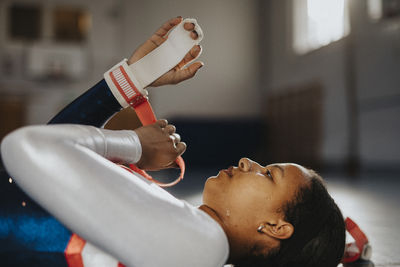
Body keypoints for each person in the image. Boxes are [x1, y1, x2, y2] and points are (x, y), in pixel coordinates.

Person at [1, 17, 345, 267]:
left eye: (268, 174)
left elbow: (25, 146)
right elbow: (28, 179)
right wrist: (135, 77)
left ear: (275, 227)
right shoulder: (183, 228)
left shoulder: (202, 248)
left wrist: (134, 145)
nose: (247, 162)